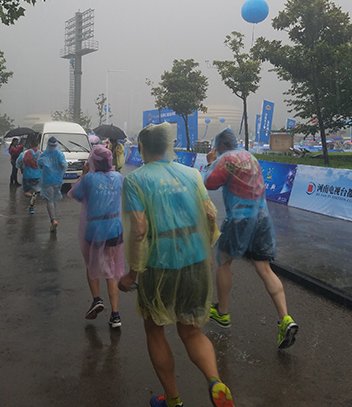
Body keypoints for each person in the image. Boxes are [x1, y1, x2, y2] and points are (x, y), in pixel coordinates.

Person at [119, 123, 234, 407]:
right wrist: (206, 252)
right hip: (195, 258)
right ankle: (215, 382)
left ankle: (172, 400)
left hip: (158, 264)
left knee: (154, 329)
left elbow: (139, 229)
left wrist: (132, 273)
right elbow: (210, 215)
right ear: (168, 145)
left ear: (142, 148)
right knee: (191, 330)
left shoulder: (135, 180)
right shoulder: (192, 174)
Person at [202, 127, 298, 350]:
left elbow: (209, 183)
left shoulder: (226, 159)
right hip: (262, 218)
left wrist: (210, 163)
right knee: (264, 268)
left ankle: (222, 312)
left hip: (239, 218)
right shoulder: (249, 157)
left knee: (224, 262)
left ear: (221, 145)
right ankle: (285, 318)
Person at [68, 145, 124, 328]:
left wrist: (84, 174)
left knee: (92, 264)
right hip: (115, 228)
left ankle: (97, 299)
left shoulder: (89, 179)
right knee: (111, 270)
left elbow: (75, 194)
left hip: (95, 229)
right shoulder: (118, 177)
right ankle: (115, 315)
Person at [37, 136, 67, 232]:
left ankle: (53, 220)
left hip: (47, 180)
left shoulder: (44, 154)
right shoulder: (59, 154)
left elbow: (39, 164)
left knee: (49, 200)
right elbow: (63, 164)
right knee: (55, 199)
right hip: (57, 180)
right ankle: (55, 218)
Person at [17, 138, 42, 213]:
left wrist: (21, 168)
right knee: (35, 191)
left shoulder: (24, 153)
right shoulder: (41, 154)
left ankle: (31, 198)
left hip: (27, 175)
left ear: (30, 145)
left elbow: (18, 162)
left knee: (26, 192)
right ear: (37, 145)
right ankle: (31, 208)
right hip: (38, 175)